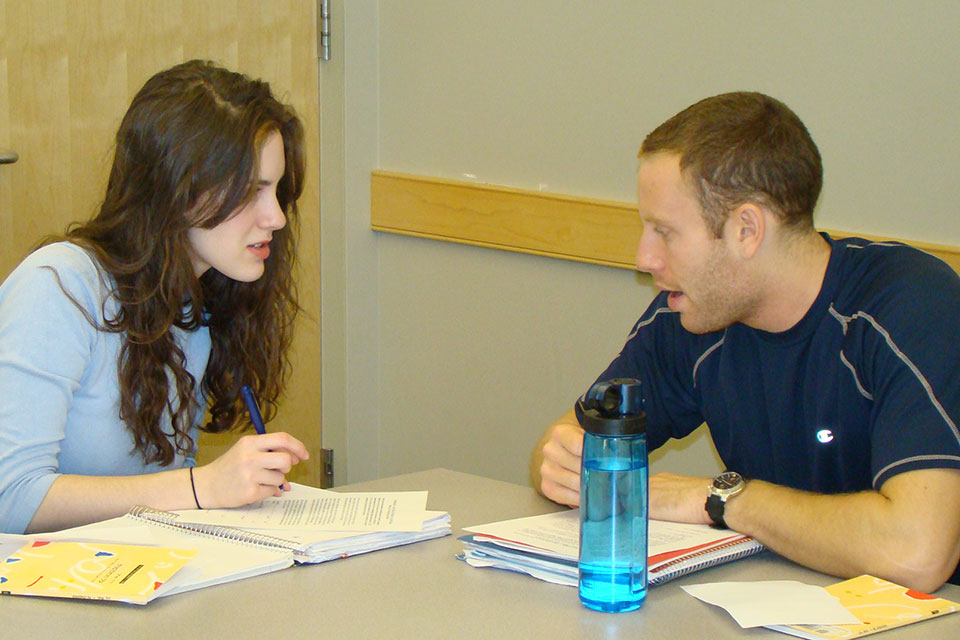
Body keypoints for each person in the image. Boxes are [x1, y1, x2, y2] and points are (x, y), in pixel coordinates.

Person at [531, 92, 960, 592]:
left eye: (665, 232)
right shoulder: (694, 314)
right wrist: (567, 460)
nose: (644, 257)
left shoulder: (908, 305)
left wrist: (719, 499)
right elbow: (567, 443)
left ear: (747, 229)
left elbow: (917, 554)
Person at [0, 60, 311, 535]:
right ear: (175, 187)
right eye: (251, 191)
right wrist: (201, 488)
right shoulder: (58, 285)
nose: (275, 217)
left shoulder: (196, 304)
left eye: (276, 190)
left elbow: (156, 493)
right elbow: (11, 499)